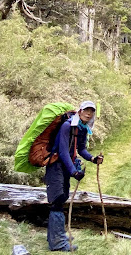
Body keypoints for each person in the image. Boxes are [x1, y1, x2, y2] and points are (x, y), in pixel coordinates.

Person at [45, 101, 104, 251]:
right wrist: (74, 172)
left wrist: (92, 159)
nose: (89, 113)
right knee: (58, 198)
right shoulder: (67, 126)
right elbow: (64, 151)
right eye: (86, 110)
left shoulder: (82, 128)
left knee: (63, 197)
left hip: (66, 166)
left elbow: (81, 149)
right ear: (80, 110)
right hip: (56, 164)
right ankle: (57, 244)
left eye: (92, 111)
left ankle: (58, 235)